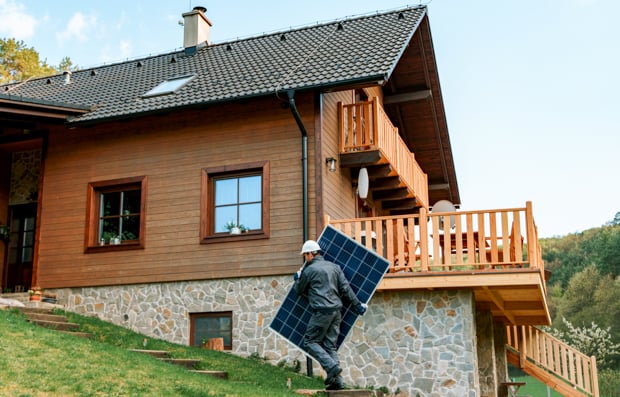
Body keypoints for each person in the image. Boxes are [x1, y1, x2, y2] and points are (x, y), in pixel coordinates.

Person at [293, 239, 368, 390]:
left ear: (310, 254)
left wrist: (297, 279)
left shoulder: (308, 271)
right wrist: (357, 305)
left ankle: (331, 366)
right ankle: (337, 382)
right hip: (336, 312)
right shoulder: (335, 267)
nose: (304, 258)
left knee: (310, 341)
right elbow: (345, 289)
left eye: (305, 255)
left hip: (322, 312)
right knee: (330, 346)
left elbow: (299, 290)